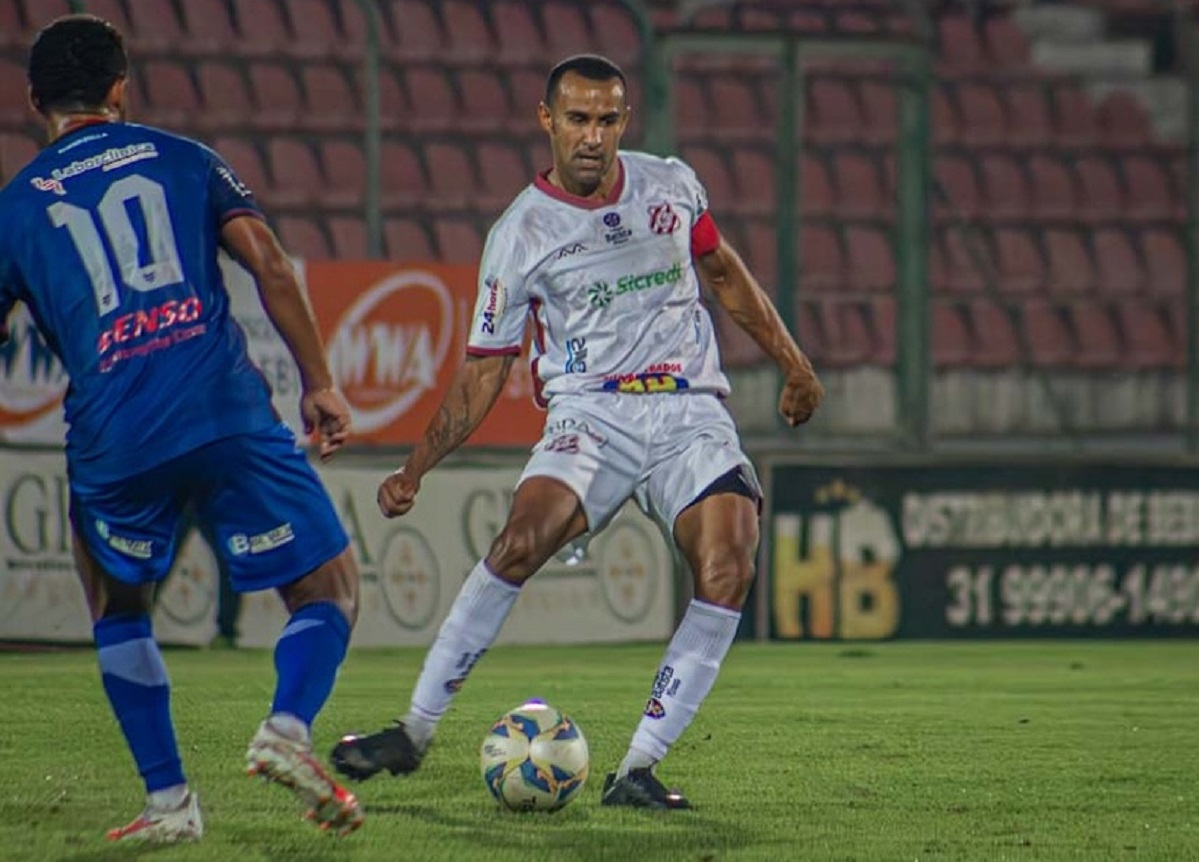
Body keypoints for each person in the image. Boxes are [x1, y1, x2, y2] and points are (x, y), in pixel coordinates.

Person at [331, 54, 824, 809]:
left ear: (623, 122)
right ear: (547, 121)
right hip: (590, 415)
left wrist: (795, 366)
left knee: (728, 565)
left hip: (689, 409)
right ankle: (413, 731)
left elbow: (722, 273)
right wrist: (416, 467)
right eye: (577, 119)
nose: (591, 136)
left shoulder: (671, 185)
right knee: (520, 542)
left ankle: (637, 769)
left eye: (606, 119)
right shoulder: (520, 234)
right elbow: (482, 371)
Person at [0, 15, 363, 841]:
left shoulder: (13, 208)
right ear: (121, 88)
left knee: (118, 607)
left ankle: (169, 802)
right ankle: (286, 729)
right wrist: (319, 383)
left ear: (32, 102)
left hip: (113, 437)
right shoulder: (184, 157)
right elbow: (269, 262)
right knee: (328, 585)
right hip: (222, 410)